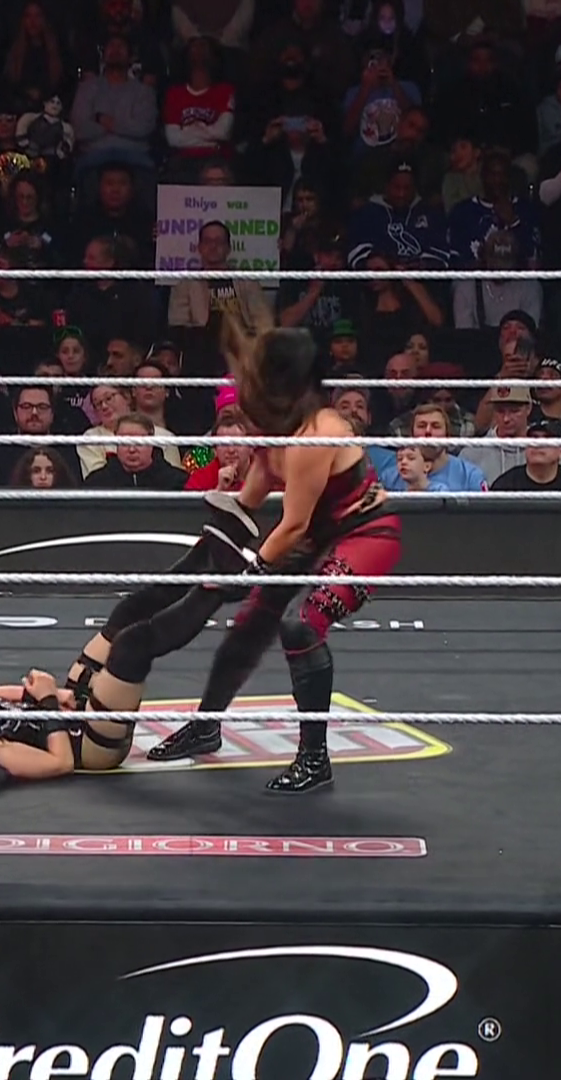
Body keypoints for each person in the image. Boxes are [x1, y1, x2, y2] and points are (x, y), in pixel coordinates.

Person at [146, 327, 404, 795]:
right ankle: (206, 725)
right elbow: (246, 504)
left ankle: (314, 759)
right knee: (249, 622)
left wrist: (248, 573)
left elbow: (293, 525)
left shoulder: (315, 435)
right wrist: (209, 558)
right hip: (316, 535)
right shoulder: (273, 434)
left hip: (365, 533)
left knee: (301, 625)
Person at [0, 499, 260, 794]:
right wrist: (47, 702)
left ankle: (211, 549)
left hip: (67, 706)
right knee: (132, 647)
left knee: (125, 615)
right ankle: (220, 589)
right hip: (89, 744)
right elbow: (61, 762)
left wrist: (51, 694)